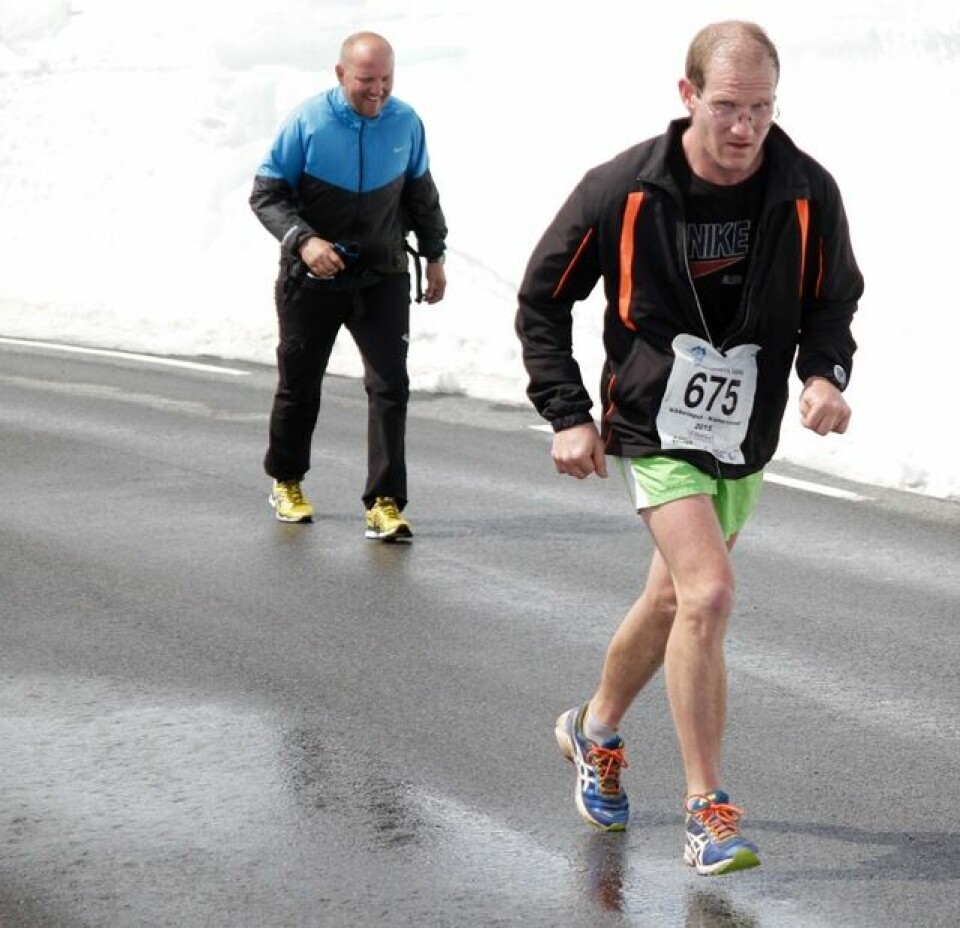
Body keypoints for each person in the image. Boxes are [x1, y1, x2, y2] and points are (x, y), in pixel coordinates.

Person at [515, 21, 862, 875]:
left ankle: (594, 728)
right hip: (653, 420)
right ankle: (707, 812)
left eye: (762, 108)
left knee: (673, 598)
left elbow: (833, 298)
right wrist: (567, 412)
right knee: (709, 590)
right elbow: (542, 300)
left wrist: (824, 373)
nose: (745, 127)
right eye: (727, 107)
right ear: (688, 96)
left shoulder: (805, 188)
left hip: (743, 428)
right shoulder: (625, 187)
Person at [250, 31, 448, 541]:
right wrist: (304, 242)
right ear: (341, 74)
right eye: (366, 80)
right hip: (312, 277)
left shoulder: (406, 122)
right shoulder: (308, 121)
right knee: (300, 383)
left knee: (390, 386)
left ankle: (385, 501)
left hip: (382, 275)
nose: (377, 90)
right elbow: (266, 195)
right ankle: (286, 480)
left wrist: (435, 255)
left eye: (386, 78)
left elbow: (422, 195)